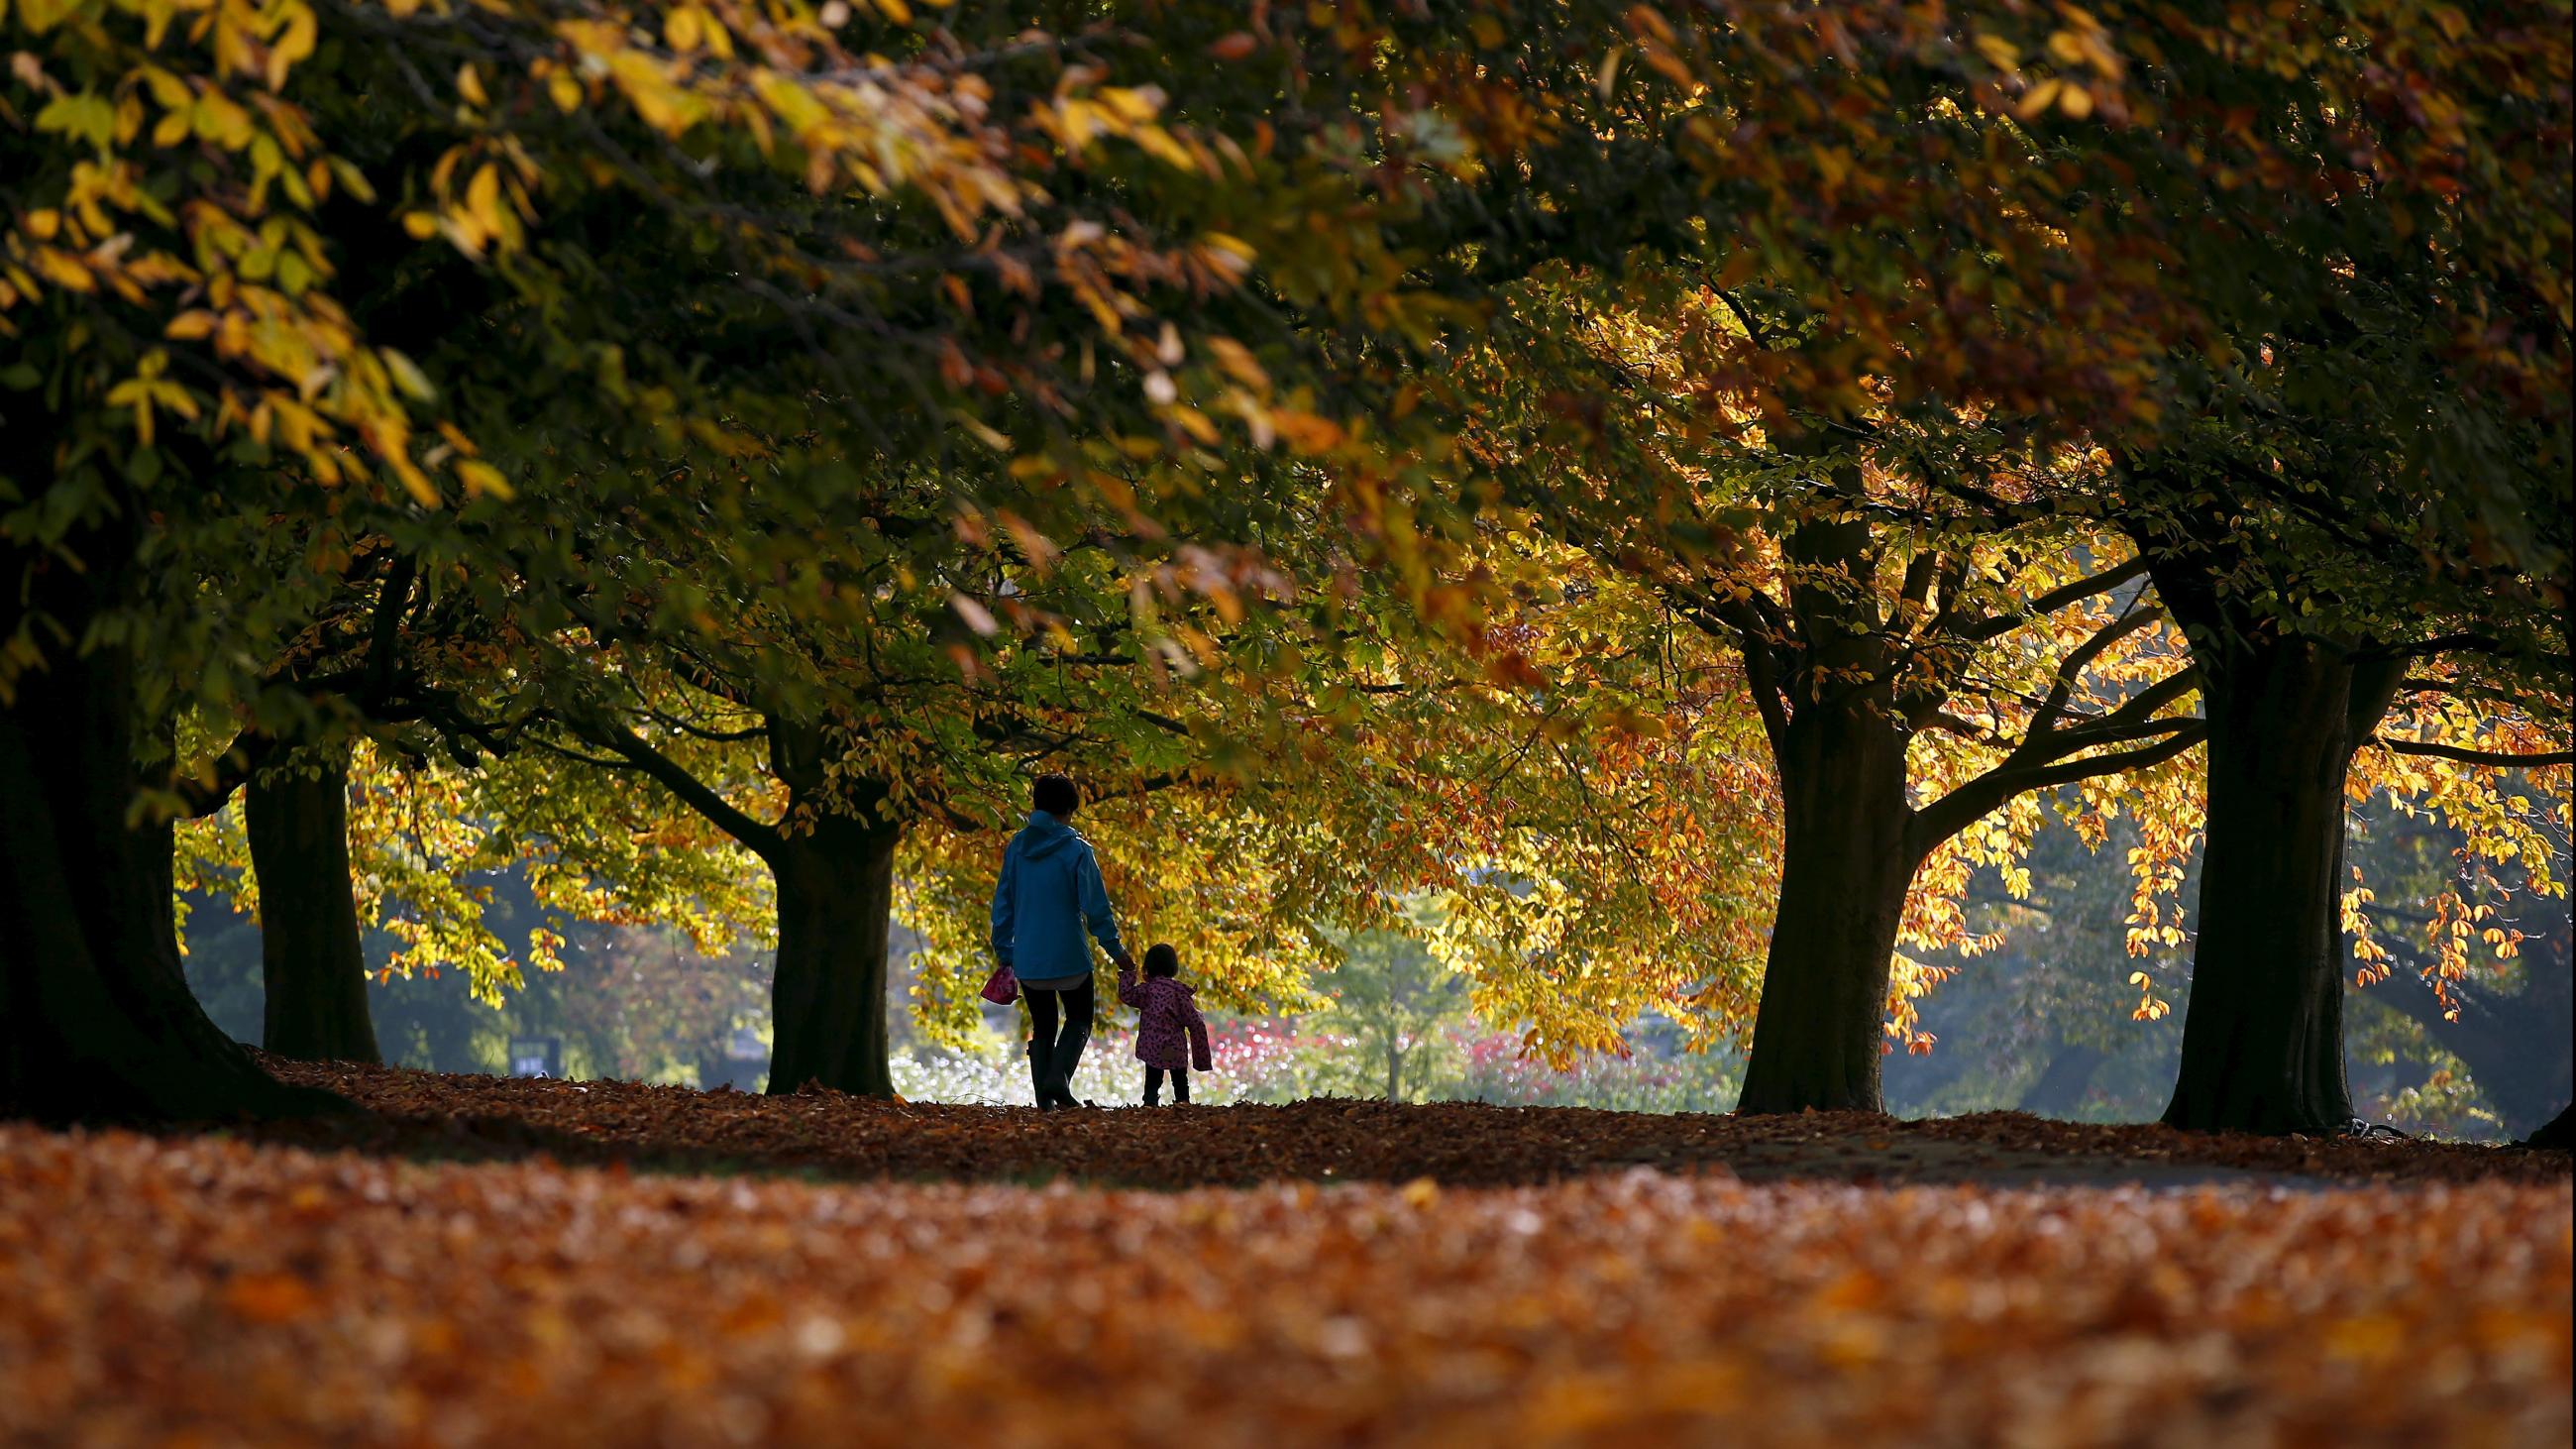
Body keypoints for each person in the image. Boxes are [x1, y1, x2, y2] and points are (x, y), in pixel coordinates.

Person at [989, 773, 1132, 1109]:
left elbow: (1003, 903)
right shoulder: (1078, 851)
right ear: (1069, 810)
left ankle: (1045, 1102)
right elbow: (1096, 909)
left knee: (1043, 1028)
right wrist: (1117, 952)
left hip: (1028, 959)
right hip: (1069, 955)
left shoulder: (1017, 848)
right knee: (1080, 1018)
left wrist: (1004, 950)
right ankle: (1059, 1076)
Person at [1118, 943, 1213, 1105]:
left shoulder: (1147, 990)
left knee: (1153, 1080)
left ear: (1149, 967)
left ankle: (1150, 1105)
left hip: (1152, 1046)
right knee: (1180, 1080)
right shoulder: (1179, 993)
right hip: (1174, 1046)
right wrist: (1202, 1056)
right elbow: (1194, 1022)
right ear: (1173, 967)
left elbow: (1127, 995)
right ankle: (1183, 1106)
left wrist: (1129, 973)